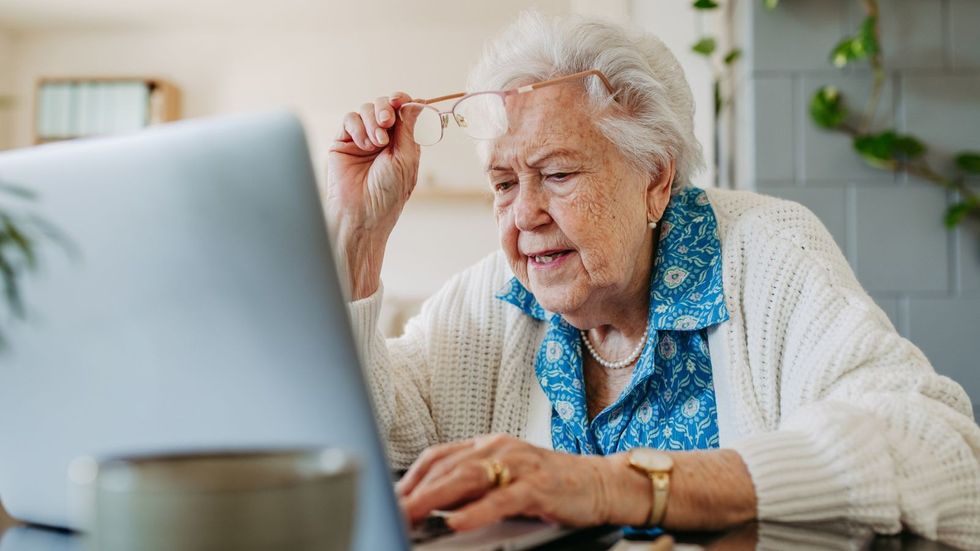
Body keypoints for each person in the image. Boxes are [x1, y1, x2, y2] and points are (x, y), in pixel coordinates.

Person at [324, 11, 980, 548]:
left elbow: (935, 446)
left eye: (557, 175)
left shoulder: (761, 252)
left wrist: (616, 484)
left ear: (656, 178)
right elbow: (358, 447)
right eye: (503, 183)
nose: (524, 213)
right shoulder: (492, 298)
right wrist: (359, 234)